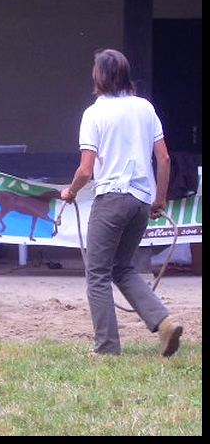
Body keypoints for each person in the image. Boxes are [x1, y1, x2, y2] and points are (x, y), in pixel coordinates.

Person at [60, 48, 183, 357]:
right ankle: (163, 323)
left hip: (112, 198)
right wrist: (160, 198)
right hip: (141, 201)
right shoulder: (145, 108)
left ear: (99, 76)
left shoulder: (94, 113)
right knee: (122, 268)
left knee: (97, 274)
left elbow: (86, 170)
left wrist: (70, 192)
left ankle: (106, 346)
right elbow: (164, 158)